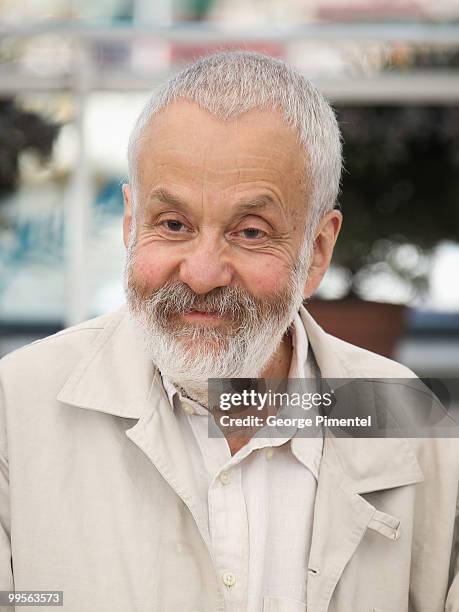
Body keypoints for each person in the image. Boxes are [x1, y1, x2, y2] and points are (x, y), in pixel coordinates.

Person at [0, 51, 458, 612]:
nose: (201, 273)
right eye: (173, 224)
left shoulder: (406, 419)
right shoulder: (15, 408)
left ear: (317, 250)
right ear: (129, 222)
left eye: (249, 231)